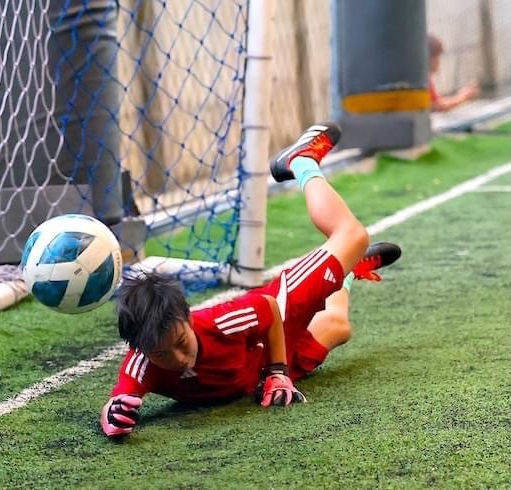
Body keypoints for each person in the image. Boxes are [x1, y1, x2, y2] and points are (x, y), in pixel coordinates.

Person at [100, 122, 402, 438]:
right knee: (339, 328)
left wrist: (278, 373)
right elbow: (114, 406)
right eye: (161, 355)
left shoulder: (223, 323)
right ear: (142, 350)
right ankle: (347, 270)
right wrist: (115, 417)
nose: (177, 358)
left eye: (179, 342)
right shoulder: (143, 361)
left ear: (188, 318)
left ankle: (300, 161)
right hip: (253, 370)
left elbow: (268, 306)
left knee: (352, 236)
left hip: (277, 326)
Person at [428, 34, 479, 112]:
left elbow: (436, 102)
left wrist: (461, 96)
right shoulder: (421, 78)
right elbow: (438, 106)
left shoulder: (425, 77)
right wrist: (464, 96)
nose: (438, 62)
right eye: (436, 57)